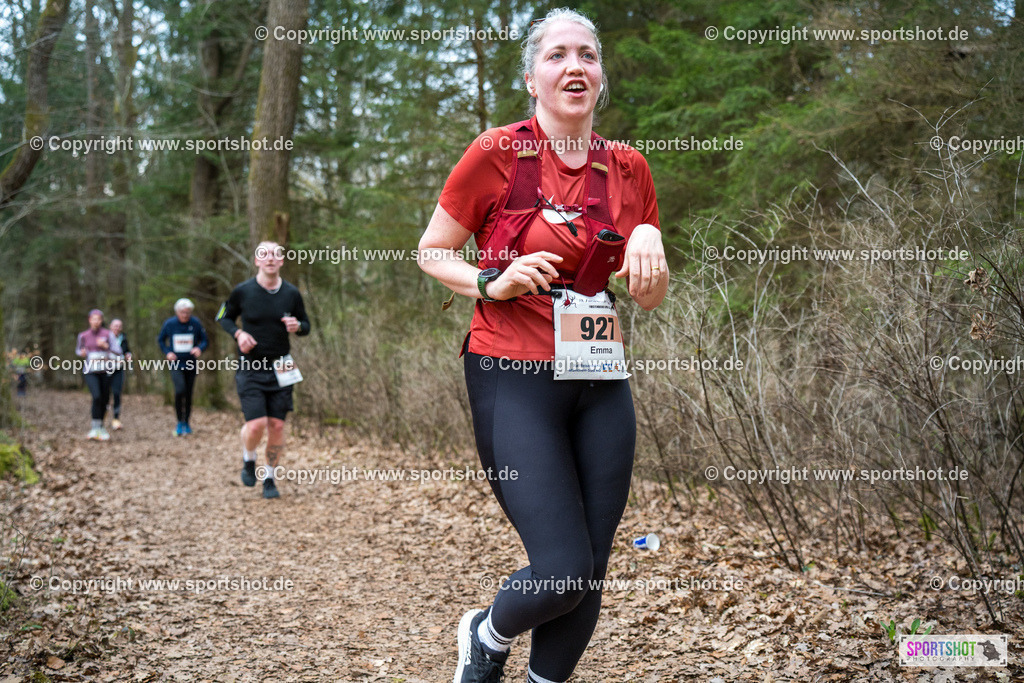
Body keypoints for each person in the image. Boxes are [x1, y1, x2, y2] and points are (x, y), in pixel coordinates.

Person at [417, 8, 669, 683]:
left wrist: (650, 240)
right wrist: (490, 282)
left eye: (586, 55)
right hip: (510, 374)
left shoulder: (629, 169)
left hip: (598, 376)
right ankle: (487, 631)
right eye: (557, 55)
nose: (574, 66)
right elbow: (431, 252)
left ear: (600, 77)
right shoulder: (497, 153)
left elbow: (648, 292)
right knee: (562, 566)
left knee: (592, 564)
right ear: (533, 78)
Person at [217, 242, 310, 500]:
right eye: (264, 254)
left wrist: (297, 326)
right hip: (251, 366)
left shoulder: (291, 293)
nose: (270, 258)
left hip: (282, 366)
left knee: (277, 425)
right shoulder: (242, 291)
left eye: (275, 255)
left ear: (281, 261)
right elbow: (222, 316)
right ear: (257, 261)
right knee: (256, 424)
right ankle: (249, 459)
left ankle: (269, 477)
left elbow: (306, 325)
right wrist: (238, 333)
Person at [157, 299, 208, 436]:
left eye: (187, 312)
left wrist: (199, 348)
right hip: (176, 363)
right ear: (177, 312)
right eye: (182, 312)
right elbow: (161, 340)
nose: (185, 315)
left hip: (191, 363)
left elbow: (204, 340)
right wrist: (168, 352)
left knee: (189, 393)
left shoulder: (195, 323)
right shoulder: (170, 324)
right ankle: (179, 421)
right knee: (180, 390)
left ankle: (187, 422)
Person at [75, 309, 120, 440]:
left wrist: (106, 346)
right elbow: (79, 349)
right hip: (90, 371)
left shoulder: (108, 334)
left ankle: (101, 427)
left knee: (105, 399)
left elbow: (118, 350)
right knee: (96, 396)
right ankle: (94, 428)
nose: (96, 321)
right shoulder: (83, 335)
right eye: (94, 319)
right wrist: (82, 353)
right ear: (89, 320)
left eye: (99, 319)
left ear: (101, 320)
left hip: (106, 371)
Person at [108, 318, 132, 430]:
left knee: (117, 393)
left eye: (119, 326)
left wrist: (128, 355)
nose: (117, 328)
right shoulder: (105, 337)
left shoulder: (124, 338)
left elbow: (127, 350)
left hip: (119, 368)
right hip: (105, 369)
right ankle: (101, 417)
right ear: (110, 326)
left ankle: (116, 419)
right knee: (104, 394)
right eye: (115, 325)